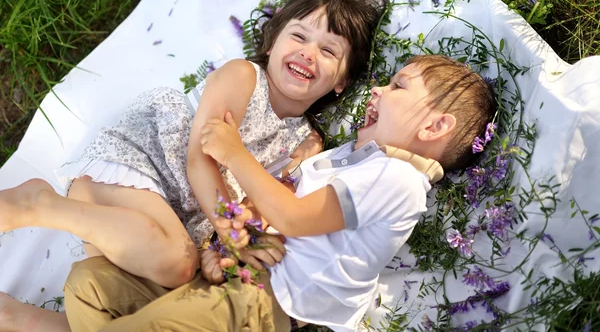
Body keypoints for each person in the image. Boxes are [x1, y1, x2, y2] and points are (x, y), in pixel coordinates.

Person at [0, 54, 495, 332]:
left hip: (268, 308)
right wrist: (226, 251)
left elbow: (296, 218)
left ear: (435, 125)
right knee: (89, 283)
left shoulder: (400, 181)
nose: (380, 92)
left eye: (399, 86)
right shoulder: (347, 160)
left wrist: (236, 153)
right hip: (243, 281)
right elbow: (270, 225)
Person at [0, 0, 389, 290]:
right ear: (272, 43)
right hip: (138, 169)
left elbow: (263, 202)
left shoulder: (304, 144)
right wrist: (224, 224)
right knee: (176, 264)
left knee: (127, 308)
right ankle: (40, 203)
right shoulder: (243, 78)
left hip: (145, 226)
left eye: (329, 51)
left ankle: (15, 318)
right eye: (300, 37)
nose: (308, 53)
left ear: (343, 81)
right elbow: (199, 159)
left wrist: (222, 246)